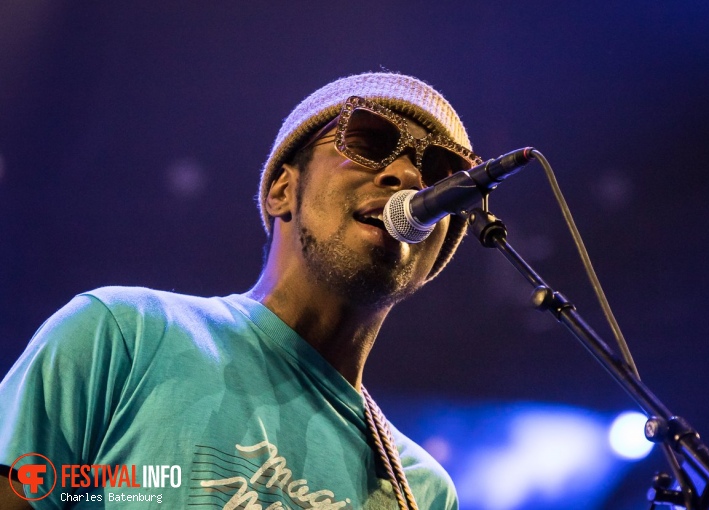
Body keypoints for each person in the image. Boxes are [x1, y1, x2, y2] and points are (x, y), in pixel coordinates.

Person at [0, 72, 482, 509]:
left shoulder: (422, 492)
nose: (410, 179)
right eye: (369, 140)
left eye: (442, 176)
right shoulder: (121, 333)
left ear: (435, 255)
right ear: (280, 190)